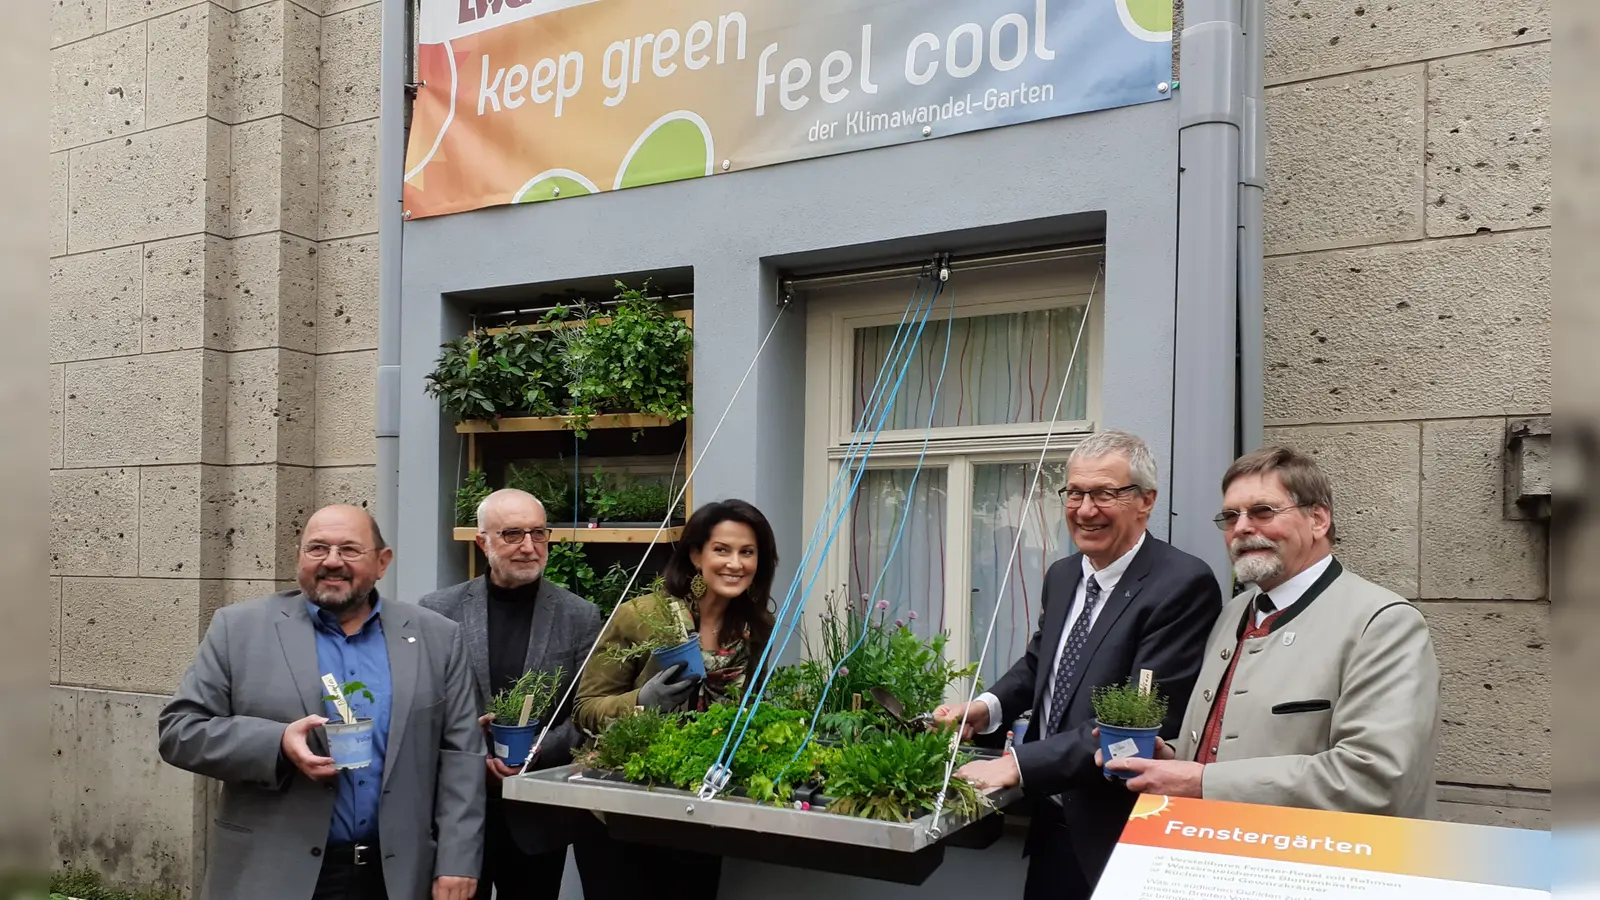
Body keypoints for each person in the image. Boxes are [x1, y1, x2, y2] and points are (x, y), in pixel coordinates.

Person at [933, 430, 1220, 900]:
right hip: (1048, 822)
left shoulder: (1182, 584)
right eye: (1076, 493)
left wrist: (1017, 765)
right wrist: (985, 708)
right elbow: (1038, 665)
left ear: (1145, 501)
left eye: (1105, 493)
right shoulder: (1064, 574)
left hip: (1116, 835)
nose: (1086, 510)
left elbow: (1138, 726)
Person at [157, 505, 483, 900]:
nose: (332, 561)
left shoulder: (437, 637)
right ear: (299, 557)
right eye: (317, 549)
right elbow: (180, 731)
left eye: (349, 549)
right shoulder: (238, 629)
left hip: (397, 875)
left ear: (383, 562)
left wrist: (457, 859)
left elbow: (462, 756)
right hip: (275, 870)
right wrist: (277, 743)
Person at [1102, 446, 1442, 819]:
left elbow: (1375, 777)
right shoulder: (1233, 613)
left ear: (1318, 520)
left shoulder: (1383, 623)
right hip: (1215, 853)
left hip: (1315, 867)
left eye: (1263, 512)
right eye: (1230, 517)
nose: (1243, 527)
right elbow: (1225, 744)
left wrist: (1201, 782)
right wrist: (1170, 757)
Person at [573, 498, 779, 895]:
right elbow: (584, 710)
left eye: (747, 552)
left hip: (700, 812)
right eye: (722, 550)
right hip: (623, 813)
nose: (735, 564)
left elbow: (750, 705)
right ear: (696, 554)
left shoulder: (755, 630)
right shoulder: (641, 616)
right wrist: (640, 703)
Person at [418, 488, 615, 900]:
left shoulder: (579, 615)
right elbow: (422, 703)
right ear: (482, 541)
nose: (529, 547)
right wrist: (471, 749)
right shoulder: (438, 611)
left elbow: (584, 711)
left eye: (538, 534)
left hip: (537, 817)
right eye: (512, 534)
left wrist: (536, 751)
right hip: (455, 811)